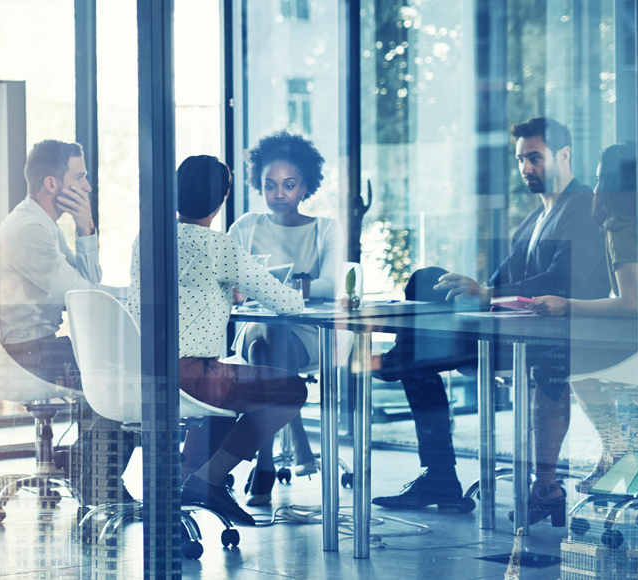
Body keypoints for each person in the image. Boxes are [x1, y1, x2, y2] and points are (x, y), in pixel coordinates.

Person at [371, 118, 609, 521]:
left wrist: (488, 294)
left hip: (544, 337)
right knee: (425, 281)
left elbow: (562, 281)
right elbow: (499, 283)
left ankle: (404, 363)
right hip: (505, 329)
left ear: (564, 155)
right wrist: (476, 291)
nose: (526, 169)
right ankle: (439, 471)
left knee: (415, 357)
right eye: (521, 160)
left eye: (535, 158)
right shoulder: (534, 222)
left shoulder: (581, 208)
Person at [126, 155, 311, 526]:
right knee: (291, 390)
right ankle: (209, 480)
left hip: (144, 370)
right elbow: (288, 302)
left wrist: (224, 292)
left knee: (230, 378)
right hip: (193, 377)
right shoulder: (219, 246)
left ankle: (191, 480)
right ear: (223, 197)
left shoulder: (146, 238)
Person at [0, 139, 136, 501]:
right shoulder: (31, 231)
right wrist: (86, 223)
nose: (88, 187)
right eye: (80, 177)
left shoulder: (40, 225)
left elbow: (86, 285)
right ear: (52, 184)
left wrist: (85, 231)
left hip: (31, 348)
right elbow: (85, 295)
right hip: (26, 356)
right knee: (122, 376)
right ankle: (94, 474)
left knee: (114, 368)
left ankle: (84, 465)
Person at [225, 132, 343, 504]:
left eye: (289, 185)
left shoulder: (326, 228)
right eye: (269, 185)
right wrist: (295, 283)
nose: (279, 194)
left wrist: (270, 283)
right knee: (265, 334)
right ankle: (292, 442)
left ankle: (264, 462)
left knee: (273, 339)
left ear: (305, 185)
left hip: (308, 335)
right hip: (252, 331)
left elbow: (330, 286)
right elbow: (227, 281)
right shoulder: (246, 226)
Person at [526, 143, 638, 494]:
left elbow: (632, 303)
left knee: (571, 360)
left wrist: (567, 304)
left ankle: (616, 449)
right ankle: (611, 454)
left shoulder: (621, 226)